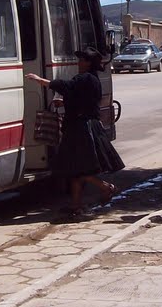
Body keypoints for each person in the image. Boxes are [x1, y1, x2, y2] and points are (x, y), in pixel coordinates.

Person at [25, 47, 124, 216]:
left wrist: (39, 79)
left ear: (88, 63)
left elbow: (66, 87)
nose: (79, 63)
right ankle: (76, 205)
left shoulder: (85, 78)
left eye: (82, 60)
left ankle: (105, 187)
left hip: (82, 128)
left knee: (80, 167)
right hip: (82, 125)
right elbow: (82, 100)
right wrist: (64, 104)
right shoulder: (92, 79)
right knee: (74, 169)